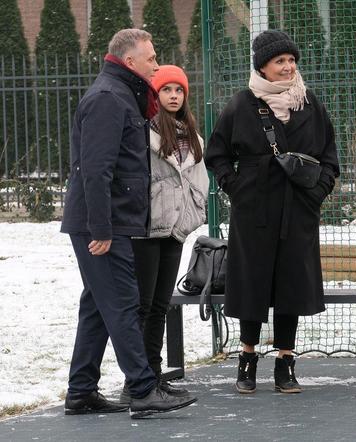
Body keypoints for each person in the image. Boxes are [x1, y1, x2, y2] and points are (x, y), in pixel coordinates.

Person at [60, 29, 197, 418]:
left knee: (97, 305)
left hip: (111, 221)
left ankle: (81, 391)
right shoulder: (108, 98)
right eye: (151, 58)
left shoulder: (122, 95)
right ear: (130, 61)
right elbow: (96, 169)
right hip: (102, 225)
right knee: (121, 303)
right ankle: (142, 389)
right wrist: (101, 229)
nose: (156, 63)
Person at [205, 29, 340, 394]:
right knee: (252, 282)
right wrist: (237, 188)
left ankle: (286, 361)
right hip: (253, 211)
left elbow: (330, 157)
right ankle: (246, 359)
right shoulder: (240, 104)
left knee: (291, 284)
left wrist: (318, 192)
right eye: (280, 61)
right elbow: (216, 154)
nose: (288, 66)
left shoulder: (310, 104)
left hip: (299, 209)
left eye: (292, 60)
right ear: (262, 66)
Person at [122, 65, 209, 401]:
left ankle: (154, 376)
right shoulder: (144, 134)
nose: (174, 96)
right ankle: (137, 381)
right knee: (141, 306)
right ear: (155, 95)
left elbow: (199, 181)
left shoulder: (193, 138)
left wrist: (194, 212)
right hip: (147, 229)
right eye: (166, 90)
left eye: (179, 90)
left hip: (175, 230)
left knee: (160, 305)